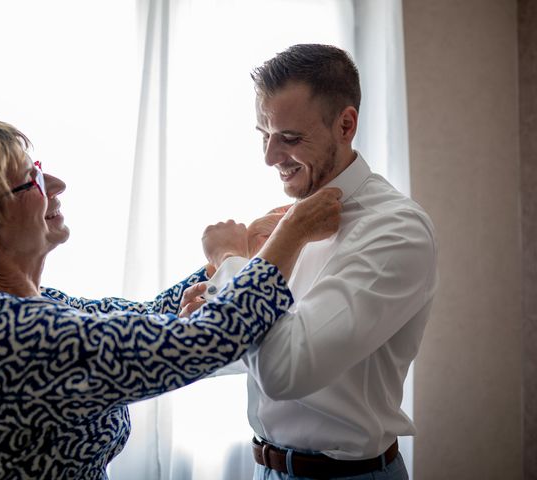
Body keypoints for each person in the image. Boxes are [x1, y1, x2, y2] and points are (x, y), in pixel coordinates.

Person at [0, 118, 343, 479]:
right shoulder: (13, 335)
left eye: (39, 166)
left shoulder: (20, 307)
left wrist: (245, 250)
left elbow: (147, 316)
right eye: (30, 180)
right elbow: (209, 340)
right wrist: (290, 234)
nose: (56, 183)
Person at [183, 44, 438, 480]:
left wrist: (231, 262)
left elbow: (285, 373)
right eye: (263, 133)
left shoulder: (396, 231)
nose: (268, 156)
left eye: (289, 138)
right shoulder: (290, 223)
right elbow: (259, 353)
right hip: (265, 468)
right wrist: (213, 316)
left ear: (346, 124)